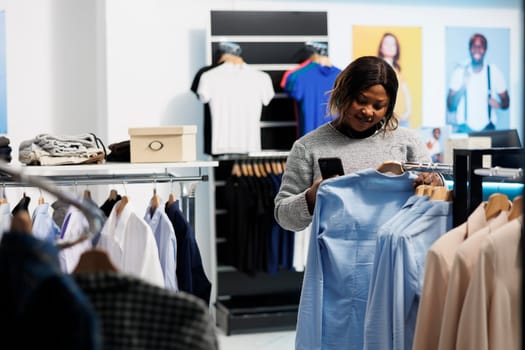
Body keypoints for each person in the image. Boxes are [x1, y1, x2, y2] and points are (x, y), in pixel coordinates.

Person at [274, 55, 443, 233]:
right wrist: (312, 196)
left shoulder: (409, 142)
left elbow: (436, 200)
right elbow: (284, 216)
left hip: (397, 256)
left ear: (389, 107)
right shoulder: (308, 147)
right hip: (336, 256)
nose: (368, 111)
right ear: (343, 93)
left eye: (378, 106)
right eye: (361, 101)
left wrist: (433, 184)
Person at [446, 33, 509, 133]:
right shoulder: (459, 72)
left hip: (488, 128)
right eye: (474, 46)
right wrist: (463, 85)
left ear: (485, 49)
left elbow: (506, 102)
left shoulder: (494, 72)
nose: (477, 49)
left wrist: (499, 104)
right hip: (464, 128)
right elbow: (450, 106)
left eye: (481, 46)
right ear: (470, 49)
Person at [377, 32, 412, 127]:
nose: (390, 46)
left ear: (397, 49)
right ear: (381, 47)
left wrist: (408, 112)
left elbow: (405, 92)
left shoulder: (397, 70)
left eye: (393, 44)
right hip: (387, 120)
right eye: (386, 43)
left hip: (402, 119)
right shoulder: (378, 68)